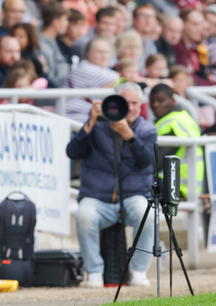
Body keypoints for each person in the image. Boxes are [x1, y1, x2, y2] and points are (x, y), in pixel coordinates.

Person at [67, 81, 156, 288]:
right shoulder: (97, 125)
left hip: (133, 196)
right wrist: (90, 122)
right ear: (114, 103)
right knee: (84, 215)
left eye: (135, 103)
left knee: (148, 214)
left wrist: (129, 136)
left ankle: (138, 271)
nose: (131, 107)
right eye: (126, 102)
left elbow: (148, 162)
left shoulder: (146, 129)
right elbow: (73, 152)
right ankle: (95, 272)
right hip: (99, 196)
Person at [149, 83, 204, 198]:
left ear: (172, 101)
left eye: (160, 100)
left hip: (174, 188)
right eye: (152, 101)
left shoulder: (172, 124)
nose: (155, 105)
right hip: (187, 186)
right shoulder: (183, 118)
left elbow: (154, 164)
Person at [63, 37, 119, 122]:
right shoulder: (86, 68)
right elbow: (121, 83)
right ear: (88, 53)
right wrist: (145, 81)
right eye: (100, 52)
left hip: (85, 119)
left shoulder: (100, 69)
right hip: (74, 120)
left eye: (107, 52)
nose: (104, 56)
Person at [40, 1, 70, 87]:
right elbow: (51, 79)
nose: (67, 24)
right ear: (55, 22)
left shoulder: (53, 41)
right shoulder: (42, 46)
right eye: (65, 20)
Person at [132, 4, 158, 72]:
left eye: (151, 17)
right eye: (143, 16)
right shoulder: (127, 39)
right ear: (134, 20)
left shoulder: (149, 41)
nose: (148, 20)